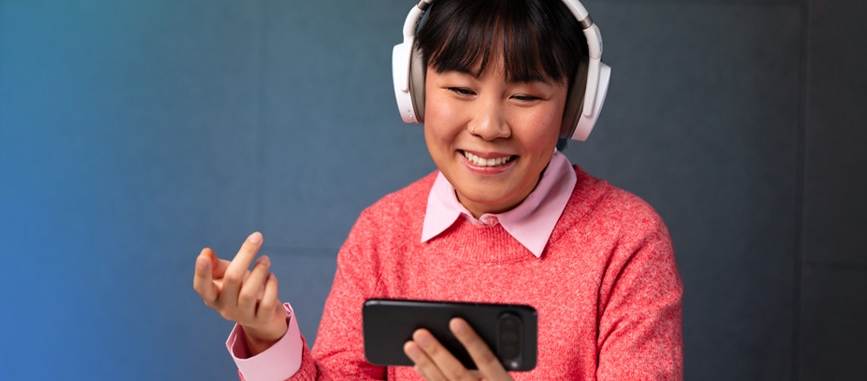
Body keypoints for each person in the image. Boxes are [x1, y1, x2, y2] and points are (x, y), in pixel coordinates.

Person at [193, 0, 683, 379]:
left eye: (526, 96)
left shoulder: (627, 240)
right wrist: (267, 338)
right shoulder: (383, 233)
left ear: (575, 107)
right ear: (415, 90)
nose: (489, 126)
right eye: (461, 90)